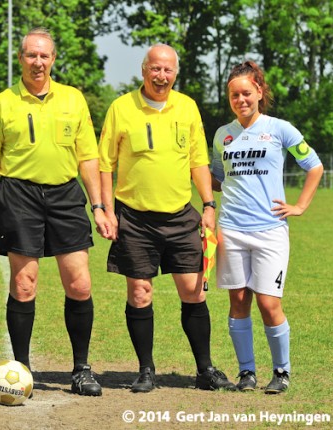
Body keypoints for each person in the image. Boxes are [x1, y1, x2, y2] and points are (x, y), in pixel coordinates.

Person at [0, 27, 112, 397]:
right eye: (31, 55)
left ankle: (81, 368)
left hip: (66, 196)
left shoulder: (73, 99)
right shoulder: (2, 103)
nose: (38, 62)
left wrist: (98, 206)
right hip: (19, 194)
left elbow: (88, 158)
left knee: (80, 283)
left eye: (44, 56)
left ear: (53, 59)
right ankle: (21, 370)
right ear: (21, 58)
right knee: (24, 285)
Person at [98, 43, 235, 393]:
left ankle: (204, 369)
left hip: (180, 217)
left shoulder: (187, 107)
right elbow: (105, 164)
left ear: (176, 73)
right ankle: (146, 370)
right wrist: (106, 209)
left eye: (168, 70)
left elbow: (197, 161)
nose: (161, 76)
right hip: (135, 219)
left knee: (193, 292)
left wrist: (207, 205)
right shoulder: (121, 108)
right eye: (155, 69)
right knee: (140, 293)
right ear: (144, 70)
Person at [210, 61, 323, 394]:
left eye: (246, 93)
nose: (241, 99)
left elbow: (313, 166)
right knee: (239, 300)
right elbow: (218, 180)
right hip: (230, 228)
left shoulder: (279, 128)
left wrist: (300, 205)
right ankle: (246, 373)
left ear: (259, 92)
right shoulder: (222, 135)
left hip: (270, 230)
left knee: (268, 303)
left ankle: (281, 371)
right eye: (234, 95)